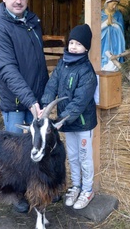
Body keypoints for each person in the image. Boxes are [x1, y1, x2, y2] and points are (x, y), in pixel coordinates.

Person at [0, 0, 48, 213]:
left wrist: (44, 95)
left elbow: (39, 64)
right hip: (16, 103)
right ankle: (15, 194)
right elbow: (8, 70)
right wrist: (30, 101)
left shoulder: (33, 23)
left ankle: (38, 190)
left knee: (37, 146)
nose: (18, 1)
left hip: (36, 99)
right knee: (14, 152)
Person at [40, 24, 98, 210]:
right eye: (71, 42)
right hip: (66, 123)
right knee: (72, 156)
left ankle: (88, 189)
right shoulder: (62, 64)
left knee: (84, 157)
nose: (73, 47)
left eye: (78, 44)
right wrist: (45, 107)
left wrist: (60, 119)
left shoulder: (87, 71)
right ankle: (76, 186)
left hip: (81, 123)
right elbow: (52, 85)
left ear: (86, 48)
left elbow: (80, 102)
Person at [101, 0, 126, 71]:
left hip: (115, 39)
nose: (114, 6)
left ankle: (114, 65)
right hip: (103, 38)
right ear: (108, 3)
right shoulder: (100, 14)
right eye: (113, 4)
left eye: (116, 4)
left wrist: (113, 24)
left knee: (115, 52)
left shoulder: (118, 15)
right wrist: (105, 24)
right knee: (103, 52)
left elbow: (121, 28)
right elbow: (96, 28)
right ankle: (102, 65)